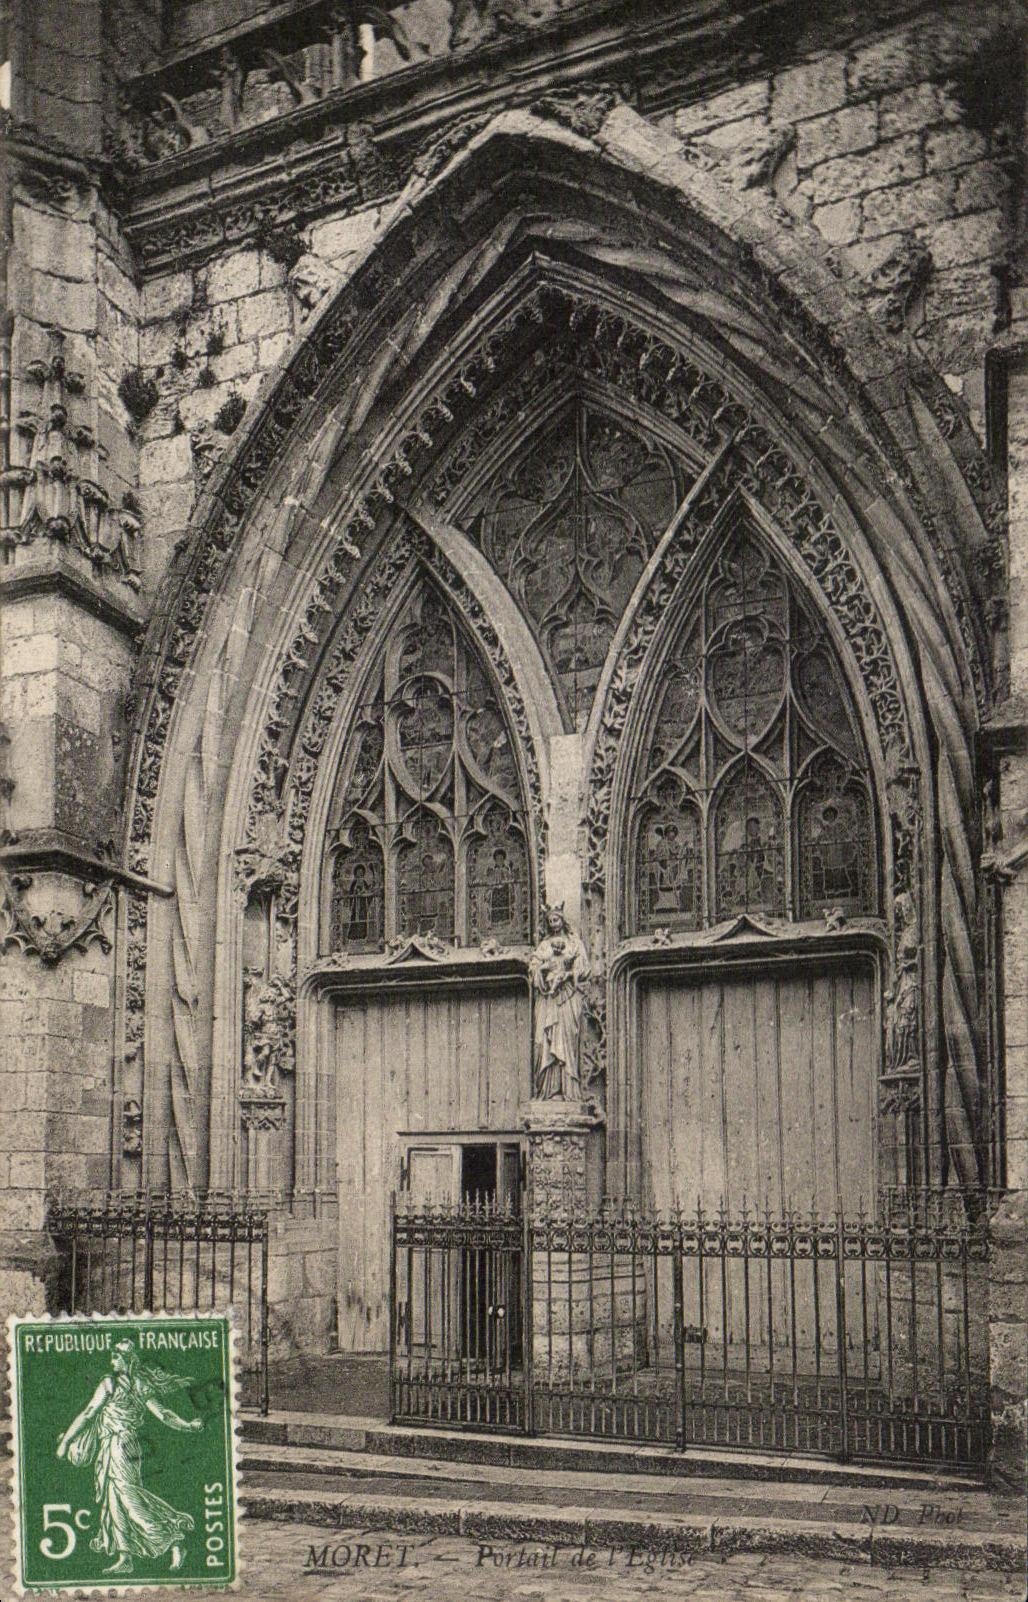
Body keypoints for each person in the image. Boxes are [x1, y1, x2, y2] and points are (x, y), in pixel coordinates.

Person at [55, 1339, 203, 1576]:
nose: (112, 1361)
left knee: (129, 1498)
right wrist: (188, 1425)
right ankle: (125, 1557)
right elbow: (163, 1414)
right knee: (114, 1500)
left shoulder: (112, 1383)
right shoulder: (138, 1383)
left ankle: (174, 1540)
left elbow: (89, 1413)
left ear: (127, 1360)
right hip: (118, 1445)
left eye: (116, 1357)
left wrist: (65, 1442)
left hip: (120, 1445)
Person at [528, 905, 591, 1101]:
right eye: (550, 921)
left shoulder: (574, 943)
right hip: (548, 999)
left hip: (568, 997)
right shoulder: (544, 946)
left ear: (563, 920)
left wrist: (569, 974)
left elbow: (584, 968)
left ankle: (568, 1091)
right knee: (543, 1042)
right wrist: (541, 971)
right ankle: (548, 1091)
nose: (553, 924)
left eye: (556, 919)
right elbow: (534, 967)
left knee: (567, 1040)